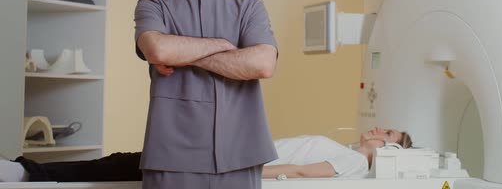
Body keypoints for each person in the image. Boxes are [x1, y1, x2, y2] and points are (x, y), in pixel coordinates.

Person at [133, 0, 278, 189]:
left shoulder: (249, 6)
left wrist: (182, 52)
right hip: (171, 157)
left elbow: (263, 64)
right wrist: (227, 46)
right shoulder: (154, 4)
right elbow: (157, 49)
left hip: (241, 154)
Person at [0, 127, 412, 182]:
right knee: (127, 162)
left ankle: (23, 173)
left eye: (387, 134)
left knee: (127, 164)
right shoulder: (348, 150)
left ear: (391, 150)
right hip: (227, 157)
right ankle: (25, 172)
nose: (378, 130)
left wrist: (235, 173)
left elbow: (301, 172)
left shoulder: (357, 162)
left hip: (228, 168)